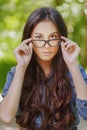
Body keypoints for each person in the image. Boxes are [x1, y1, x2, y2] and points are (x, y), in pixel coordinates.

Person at [0, 7, 87, 130]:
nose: (46, 45)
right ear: (29, 39)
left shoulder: (74, 70)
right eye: (39, 38)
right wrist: (21, 67)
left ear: (61, 39)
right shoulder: (17, 71)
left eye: (52, 37)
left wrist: (72, 64)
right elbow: (6, 117)